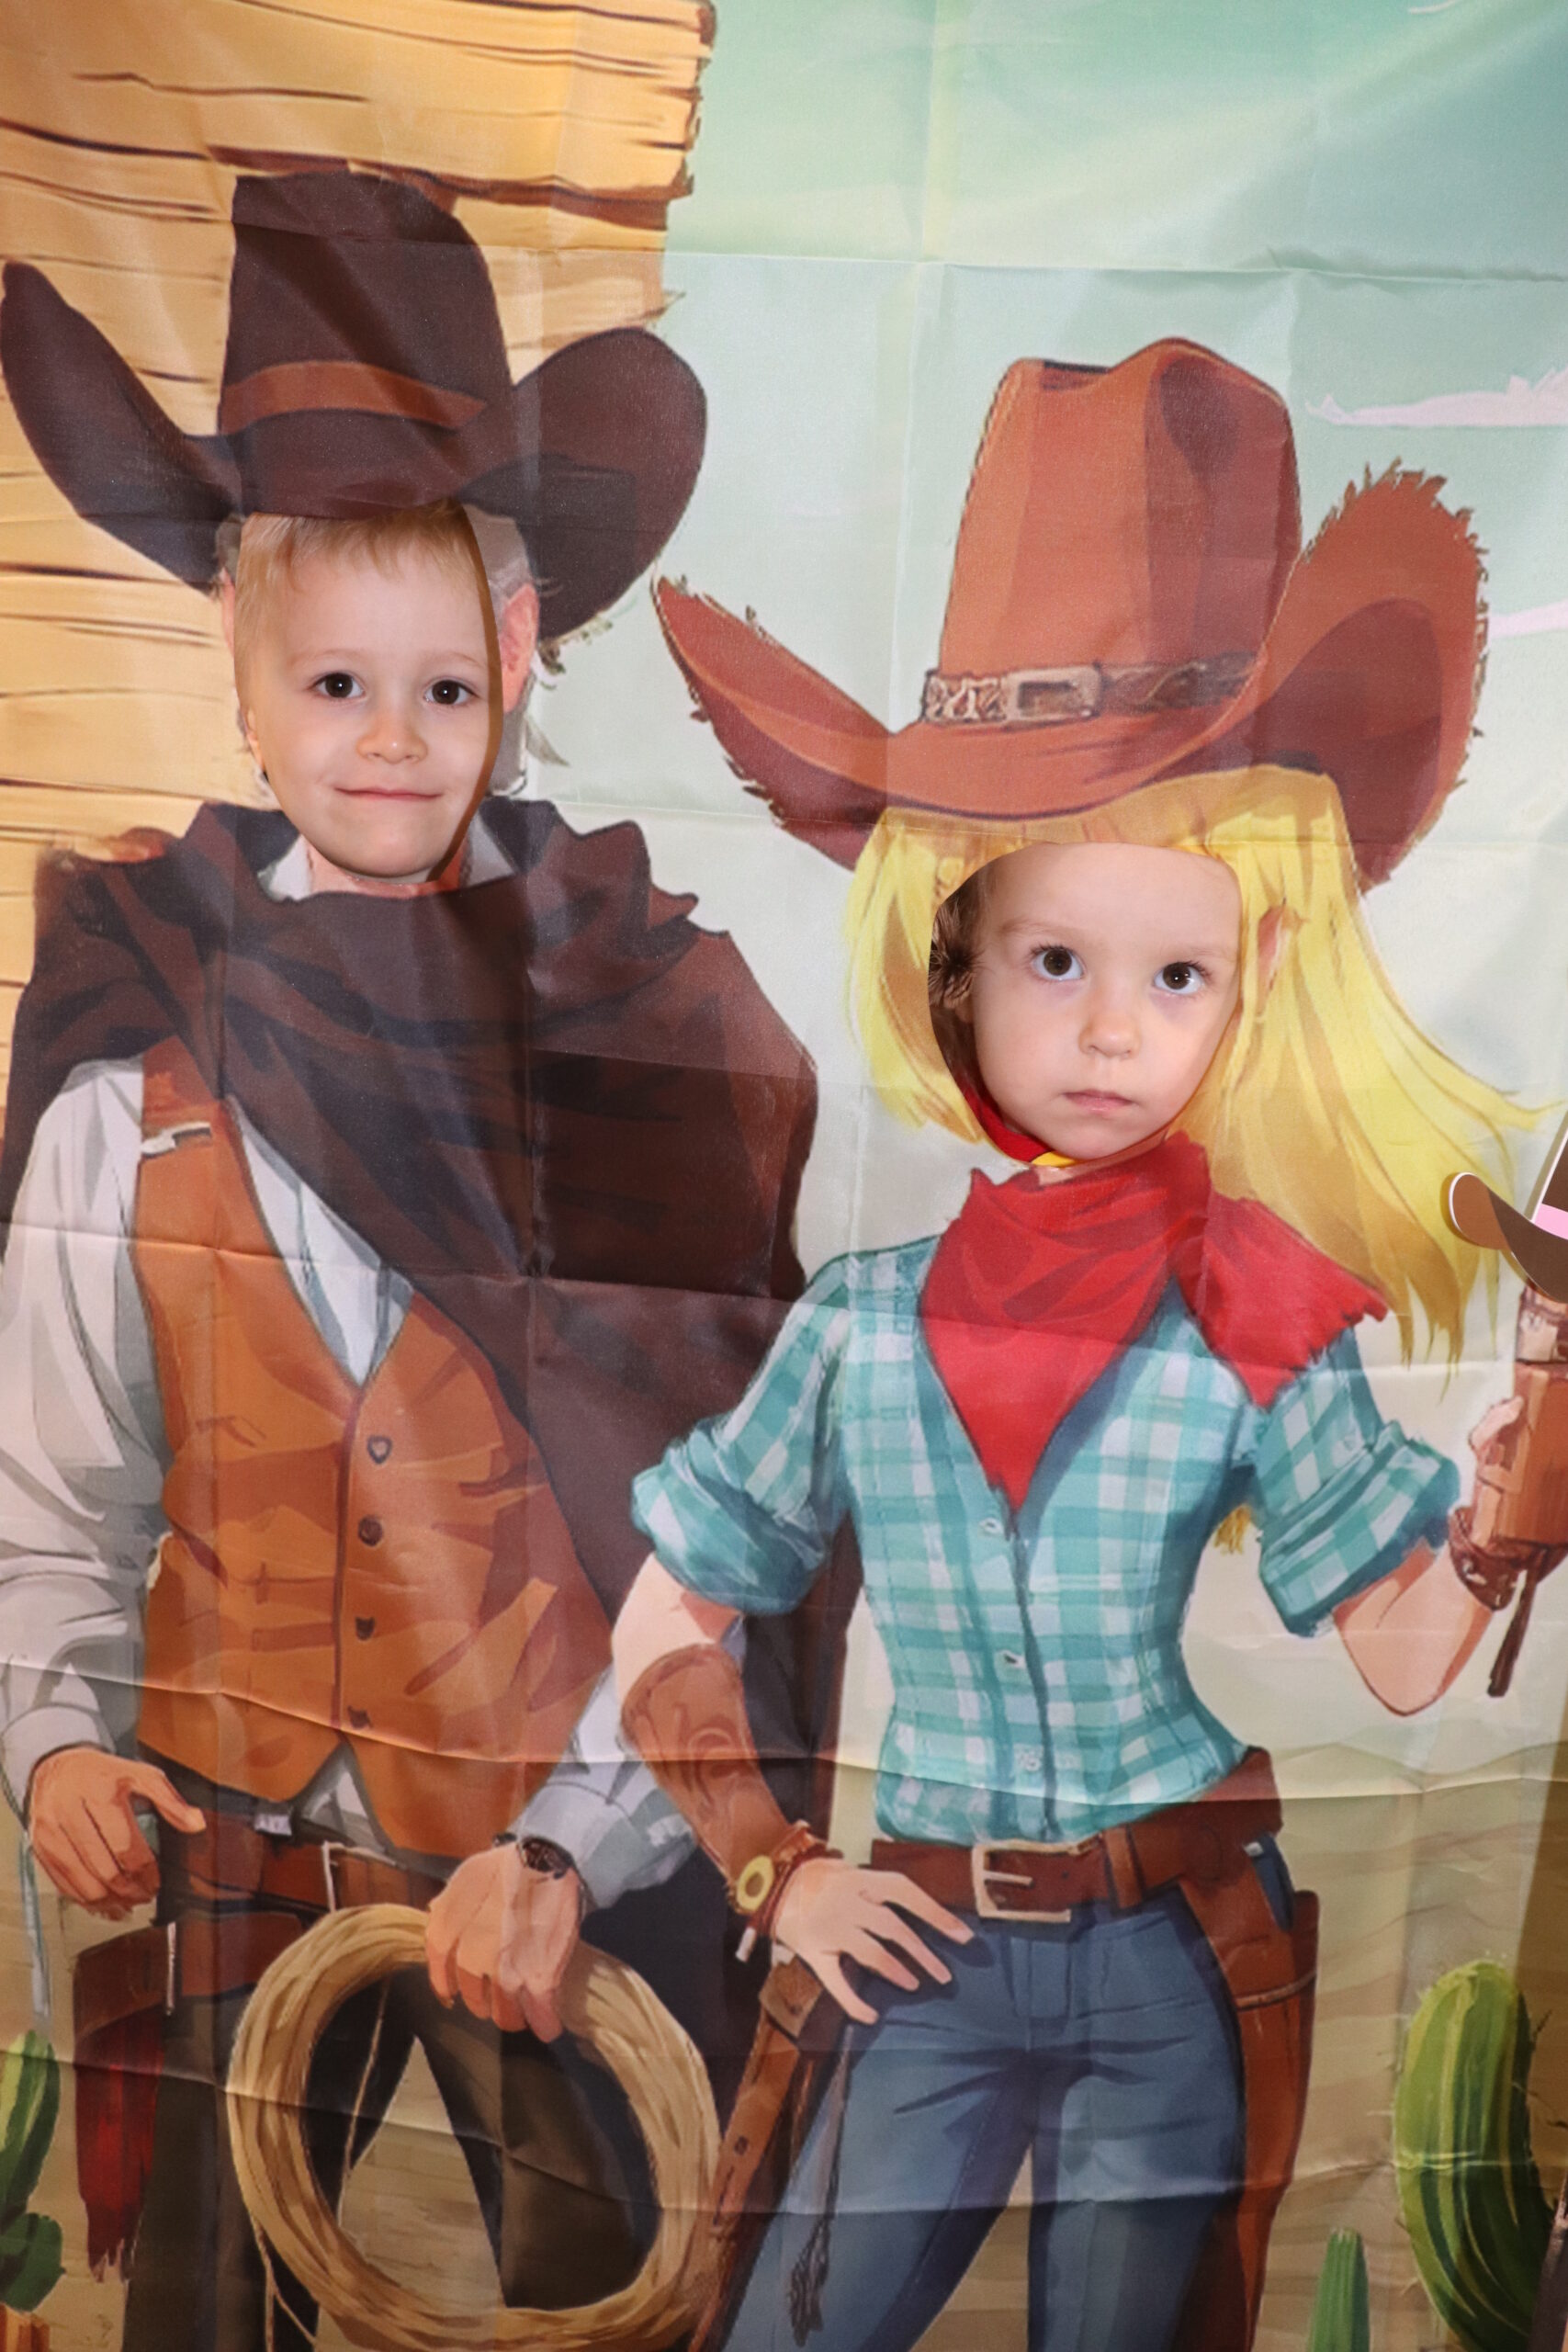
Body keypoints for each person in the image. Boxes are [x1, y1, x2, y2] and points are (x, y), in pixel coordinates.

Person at [589, 339, 1555, 2352]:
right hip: (918, 1951)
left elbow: (1393, 1650)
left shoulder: (1260, 1307)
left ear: (1250, 976)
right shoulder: (860, 1328)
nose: (1114, 1028)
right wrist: (773, 1868)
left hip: (1165, 1963)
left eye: (1175, 971)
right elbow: (670, 1610)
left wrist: (1506, 1502)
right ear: (947, 957)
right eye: (1055, 959)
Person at [0, 169, 821, 2349]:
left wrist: (574, 1844)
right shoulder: (134, 1044)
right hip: (224, 1846)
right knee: (198, 2305)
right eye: (336, 680)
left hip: (536, 1860)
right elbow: (57, 1489)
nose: (388, 737)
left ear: (518, 660)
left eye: (441, 682)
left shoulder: (650, 1032)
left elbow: (718, 1530)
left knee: (594, 2294)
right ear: (243, 672)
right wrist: (55, 1737)